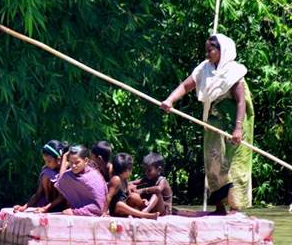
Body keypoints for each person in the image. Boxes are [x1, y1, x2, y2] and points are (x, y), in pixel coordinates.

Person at [160, 34, 254, 214]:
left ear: (222, 51)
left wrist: (238, 128)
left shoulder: (234, 72)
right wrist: (170, 100)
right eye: (207, 50)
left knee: (234, 166)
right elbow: (186, 86)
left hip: (235, 123)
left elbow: (241, 102)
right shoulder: (204, 69)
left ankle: (235, 209)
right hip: (214, 123)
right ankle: (219, 207)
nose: (207, 54)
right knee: (213, 163)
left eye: (211, 50)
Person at [13, 140, 68, 212]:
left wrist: (45, 208)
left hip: (65, 203)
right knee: (46, 173)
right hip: (50, 202)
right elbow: (38, 193)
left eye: (49, 161)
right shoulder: (46, 169)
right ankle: (49, 205)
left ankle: (54, 207)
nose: (46, 164)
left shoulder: (68, 167)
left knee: (48, 174)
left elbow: (62, 196)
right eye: (45, 161)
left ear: (58, 159)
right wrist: (24, 207)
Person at [53, 145, 107, 216]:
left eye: (77, 162)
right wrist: (64, 158)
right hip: (76, 211)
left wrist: (75, 212)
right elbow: (61, 180)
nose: (74, 166)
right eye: (71, 162)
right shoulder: (70, 174)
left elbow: (98, 207)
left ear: (86, 161)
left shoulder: (94, 177)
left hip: (95, 213)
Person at [106, 153, 157, 219]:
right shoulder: (116, 179)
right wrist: (105, 212)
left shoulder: (124, 180)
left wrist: (141, 201)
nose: (131, 172)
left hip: (125, 207)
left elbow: (130, 195)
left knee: (134, 196)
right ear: (124, 171)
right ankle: (145, 215)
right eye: (130, 169)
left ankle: (145, 210)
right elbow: (108, 197)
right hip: (116, 209)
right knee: (119, 205)